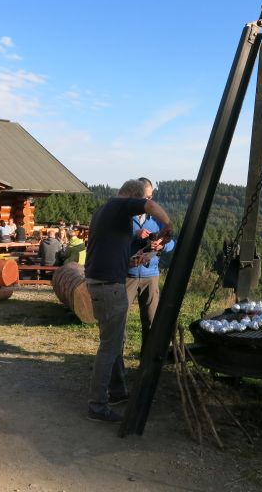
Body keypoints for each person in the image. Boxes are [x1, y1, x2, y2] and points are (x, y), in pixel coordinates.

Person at [85, 179, 172, 423]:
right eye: (142, 199)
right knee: (110, 347)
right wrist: (169, 224)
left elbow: (109, 251)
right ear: (134, 197)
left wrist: (132, 261)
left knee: (111, 344)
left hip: (104, 283)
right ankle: (97, 405)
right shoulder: (120, 206)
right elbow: (151, 206)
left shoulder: (105, 209)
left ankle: (115, 392)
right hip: (109, 288)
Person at [126, 177, 175, 354]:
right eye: (143, 198)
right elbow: (113, 242)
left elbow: (171, 243)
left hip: (150, 275)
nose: (147, 201)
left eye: (149, 197)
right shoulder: (124, 215)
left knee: (151, 321)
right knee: (119, 320)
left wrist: (161, 245)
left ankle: (146, 361)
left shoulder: (157, 217)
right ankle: (117, 362)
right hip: (127, 275)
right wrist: (135, 236)